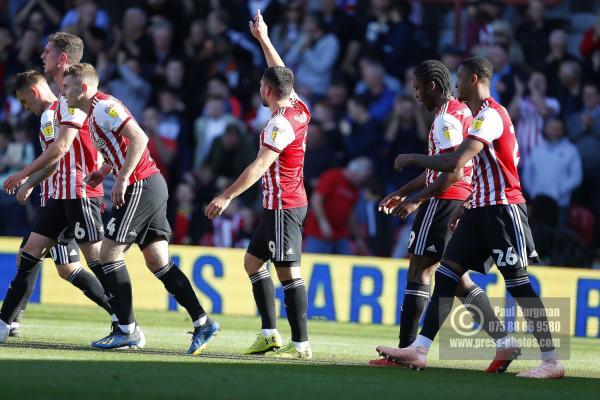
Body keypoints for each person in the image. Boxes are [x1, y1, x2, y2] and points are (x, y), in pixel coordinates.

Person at [376, 56, 564, 379]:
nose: (456, 84)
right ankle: (419, 349)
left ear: (474, 80)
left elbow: (455, 164)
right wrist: (463, 206)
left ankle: (551, 361)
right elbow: (473, 168)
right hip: (478, 208)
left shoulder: (490, 115)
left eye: (460, 78)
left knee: (518, 284)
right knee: (448, 274)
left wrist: (412, 159)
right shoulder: (478, 116)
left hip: (504, 209)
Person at [61, 62, 219, 354]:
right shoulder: (93, 113)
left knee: (108, 253)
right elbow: (122, 147)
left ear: (83, 88)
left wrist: (121, 179)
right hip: (147, 183)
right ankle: (203, 322)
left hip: (141, 185)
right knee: (158, 262)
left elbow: (140, 138)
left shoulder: (104, 107)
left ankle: (127, 330)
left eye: (67, 86)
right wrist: (106, 170)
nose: (63, 90)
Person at [370, 60, 508, 368]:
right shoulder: (461, 112)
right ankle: (504, 341)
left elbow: (453, 172)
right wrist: (403, 192)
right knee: (456, 278)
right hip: (461, 200)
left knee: (420, 271)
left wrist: (417, 200)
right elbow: (440, 166)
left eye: (418, 89)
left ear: (432, 86)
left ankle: (405, 353)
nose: (416, 95)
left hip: (445, 200)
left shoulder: (446, 120)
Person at [205, 10, 312, 359]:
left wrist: (226, 195)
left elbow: (260, 166)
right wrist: (264, 38)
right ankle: (269, 334)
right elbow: (281, 75)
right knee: (253, 263)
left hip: (285, 203)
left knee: (287, 272)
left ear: (266, 90)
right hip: (280, 203)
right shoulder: (299, 107)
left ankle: (301, 345)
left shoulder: (278, 125)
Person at [1, 32, 110, 342]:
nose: (24, 108)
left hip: (68, 195)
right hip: (61, 196)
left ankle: (123, 316)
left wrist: (26, 178)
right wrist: (32, 182)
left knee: (89, 260)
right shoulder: (65, 103)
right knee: (63, 266)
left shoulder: (56, 111)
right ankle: (11, 321)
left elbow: (59, 154)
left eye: (46, 51)